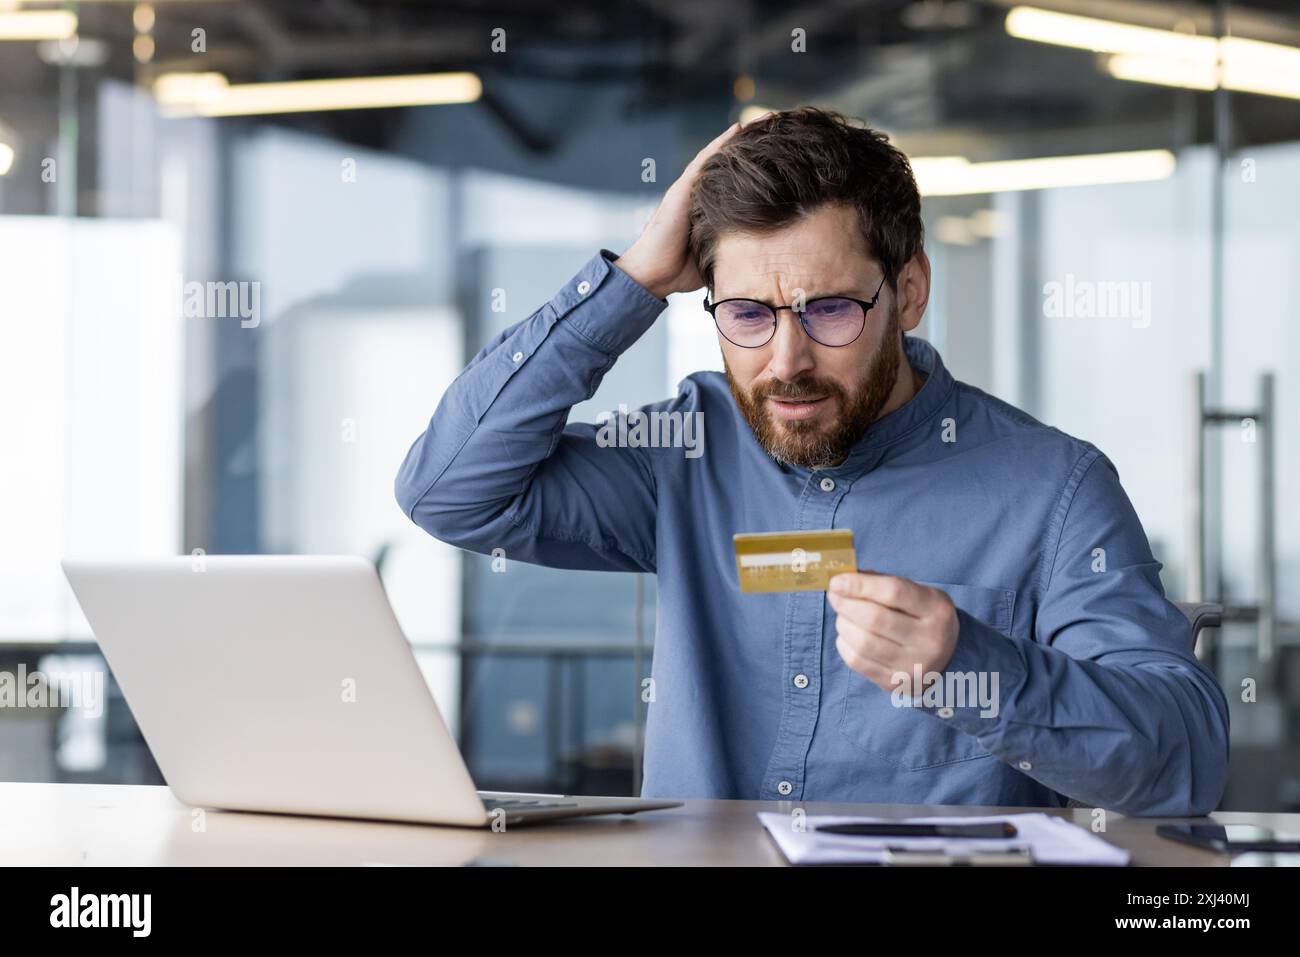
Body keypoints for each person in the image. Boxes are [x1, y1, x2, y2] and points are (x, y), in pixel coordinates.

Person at [396, 107, 1229, 815]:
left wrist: (974, 669)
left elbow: (1185, 757)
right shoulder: (686, 452)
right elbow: (450, 489)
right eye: (748, 313)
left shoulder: (1054, 489)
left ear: (908, 292)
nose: (785, 360)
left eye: (829, 310)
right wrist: (635, 279)